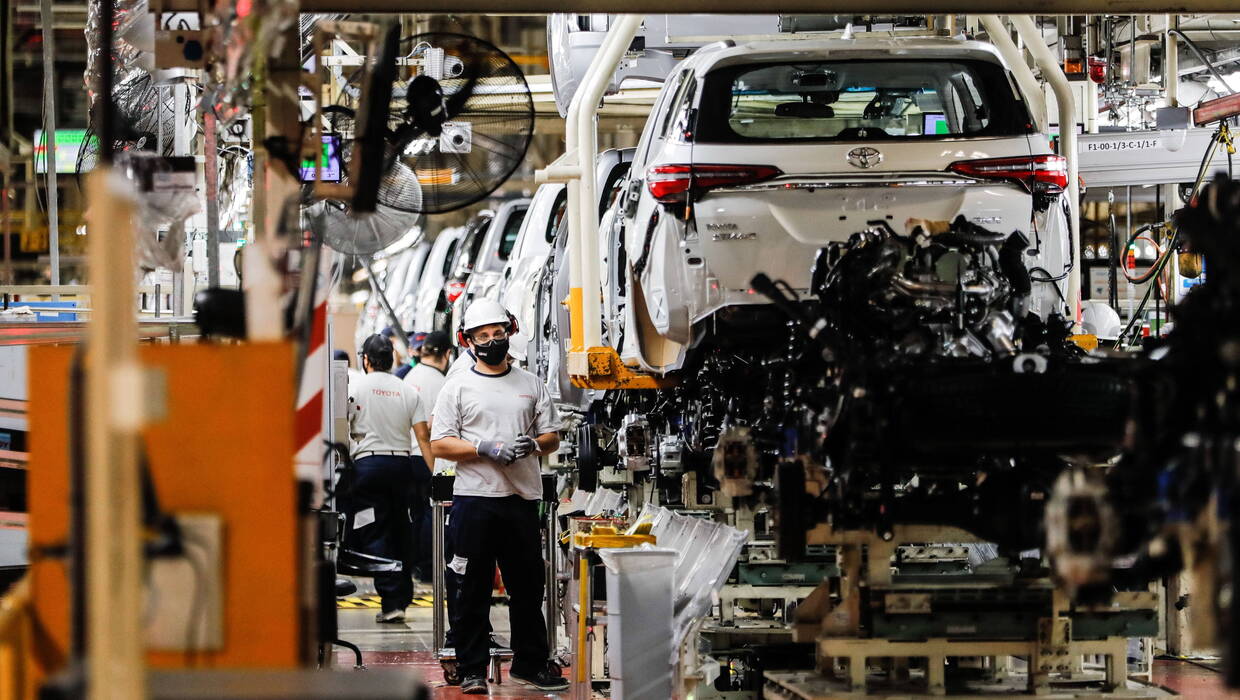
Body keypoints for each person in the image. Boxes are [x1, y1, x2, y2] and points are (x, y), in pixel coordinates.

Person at [431, 299, 567, 694]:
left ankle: (530, 664)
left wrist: (531, 446)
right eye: (483, 335)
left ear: (510, 332)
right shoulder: (457, 386)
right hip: (475, 500)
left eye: (498, 333)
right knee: (472, 588)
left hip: (522, 499)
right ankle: (472, 667)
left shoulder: (530, 383)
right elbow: (440, 443)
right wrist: (482, 448)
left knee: (527, 589)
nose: (492, 341)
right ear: (469, 341)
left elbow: (552, 436)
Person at [346, 333, 435, 623]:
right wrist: (435, 477)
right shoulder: (408, 391)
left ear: (366, 360)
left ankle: (390, 601)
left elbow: (342, 428)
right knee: (401, 531)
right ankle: (402, 598)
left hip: (367, 468)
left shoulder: (356, 388)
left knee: (374, 529)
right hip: (403, 467)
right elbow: (423, 438)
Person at [402, 330, 452, 580]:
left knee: (414, 515)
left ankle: (415, 565)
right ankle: (428, 568)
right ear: (447, 354)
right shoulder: (441, 383)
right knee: (432, 514)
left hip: (406, 456)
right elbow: (433, 426)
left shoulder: (409, 377)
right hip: (428, 456)